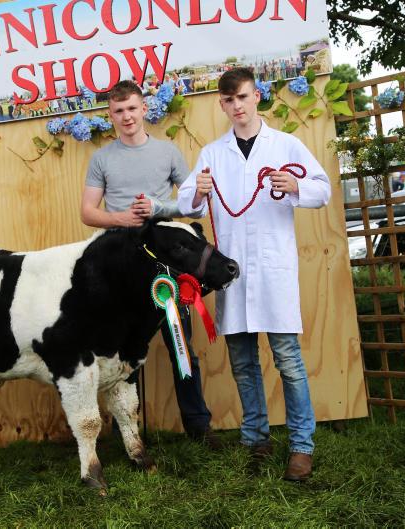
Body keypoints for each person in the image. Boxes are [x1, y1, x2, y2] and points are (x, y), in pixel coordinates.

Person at [177, 67, 331, 481]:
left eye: (242, 97)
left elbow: (323, 188)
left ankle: (301, 445)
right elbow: (188, 202)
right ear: (222, 104)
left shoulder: (286, 144)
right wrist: (199, 191)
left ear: (256, 96)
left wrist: (296, 188)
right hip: (234, 275)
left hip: (273, 272)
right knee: (243, 364)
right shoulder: (212, 153)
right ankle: (255, 438)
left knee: (289, 362)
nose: (237, 107)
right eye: (228, 101)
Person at [81, 80, 223, 449]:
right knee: (119, 353)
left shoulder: (168, 152)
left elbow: (194, 205)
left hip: (165, 269)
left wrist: (160, 210)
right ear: (110, 115)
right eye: (118, 111)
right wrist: (124, 219)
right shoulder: (102, 159)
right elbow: (88, 213)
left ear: (144, 109)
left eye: (131, 108)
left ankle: (198, 425)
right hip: (120, 270)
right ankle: (125, 430)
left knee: (181, 345)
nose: (126, 116)